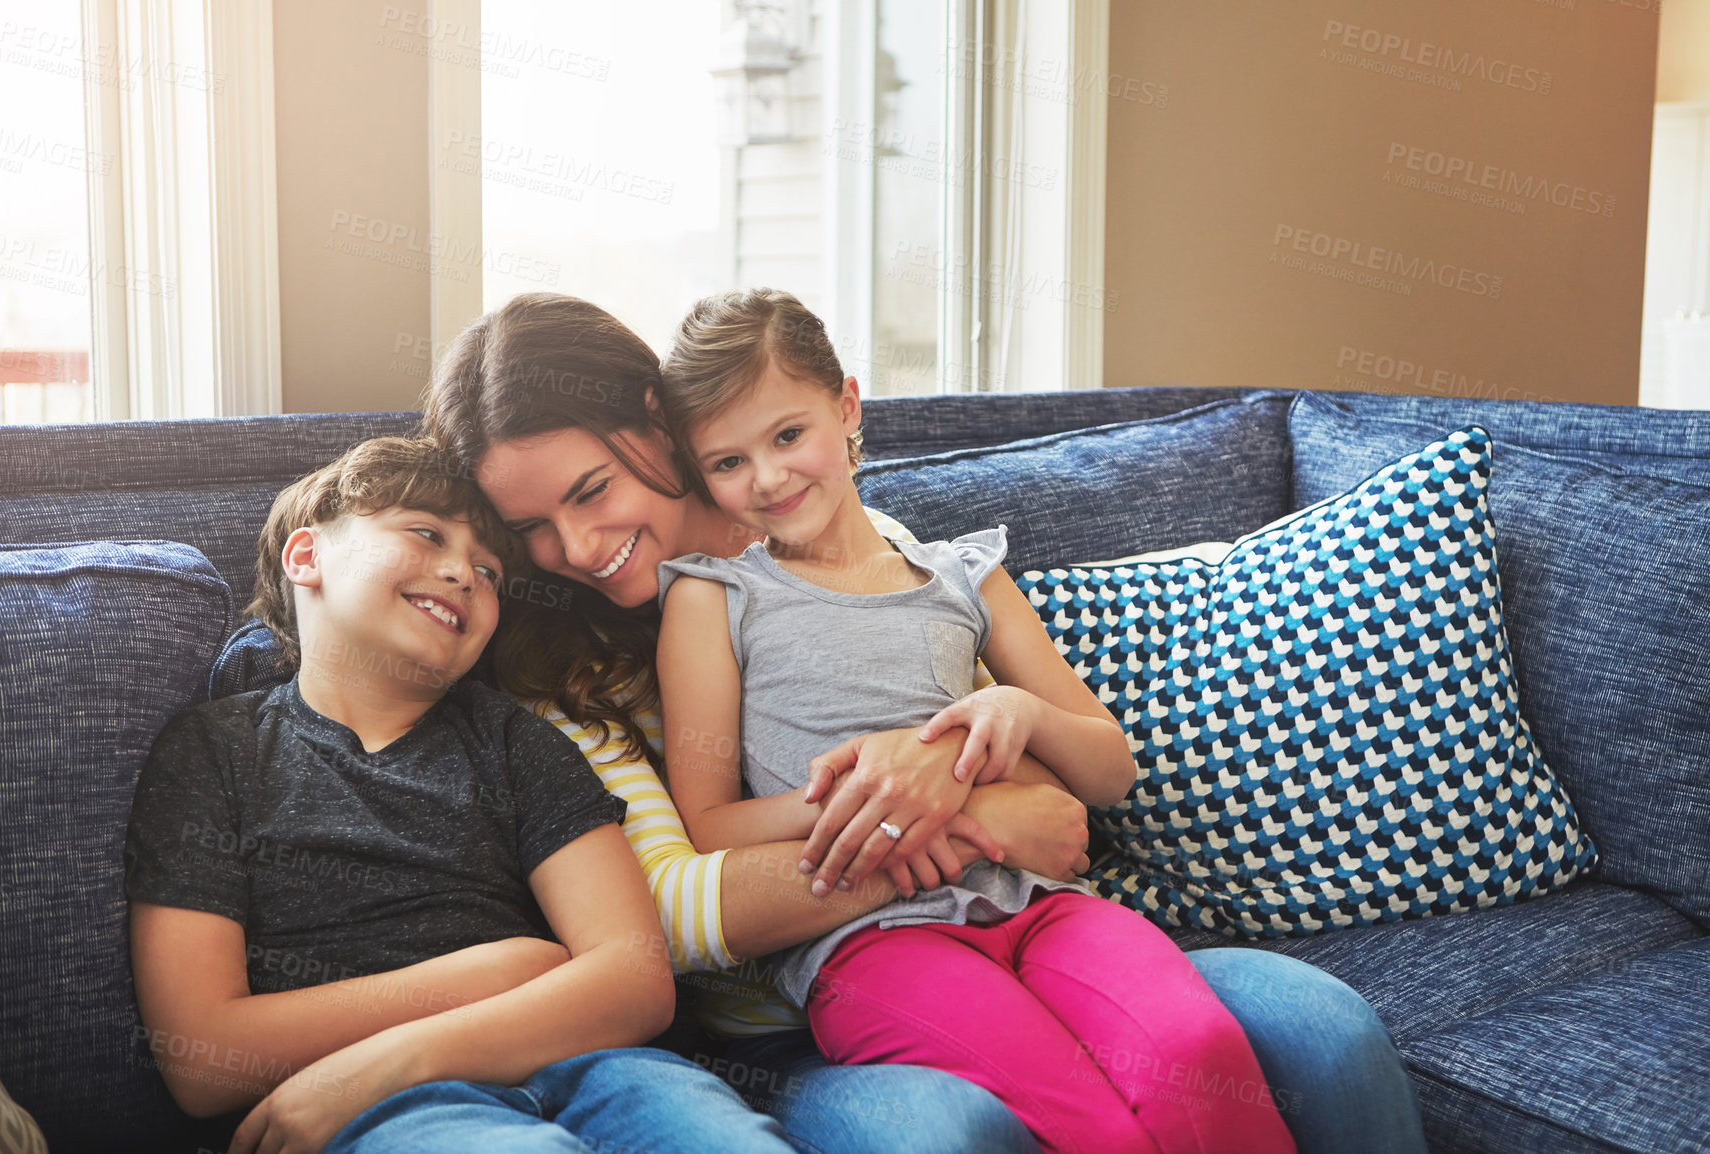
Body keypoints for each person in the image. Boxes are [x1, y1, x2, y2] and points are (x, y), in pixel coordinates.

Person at [426, 292, 1433, 1154]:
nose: (577, 544)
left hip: (1030, 913)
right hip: (800, 1009)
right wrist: (966, 820)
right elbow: (674, 909)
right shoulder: (561, 672)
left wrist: (974, 771)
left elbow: (1055, 780)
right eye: (532, 529)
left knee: (1321, 1029)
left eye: (590, 490)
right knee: (949, 1126)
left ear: (656, 422)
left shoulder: (876, 545)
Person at [649, 287, 1296, 1154]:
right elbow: (709, 827)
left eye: (787, 435)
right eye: (727, 463)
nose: (766, 479)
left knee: (1199, 1056)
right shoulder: (713, 597)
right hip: (867, 941)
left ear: (845, 406)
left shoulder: (964, 576)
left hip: (1044, 901)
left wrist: (1015, 708)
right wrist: (902, 795)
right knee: (1079, 1116)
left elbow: (1110, 770)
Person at [124, 436, 795, 1154]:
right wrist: (488, 972)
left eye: (489, 570)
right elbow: (200, 1055)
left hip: (598, 1069)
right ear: (307, 556)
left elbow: (635, 979)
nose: (462, 573)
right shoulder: (215, 750)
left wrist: (394, 1054)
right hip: (389, 1112)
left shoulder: (517, 743)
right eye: (425, 534)